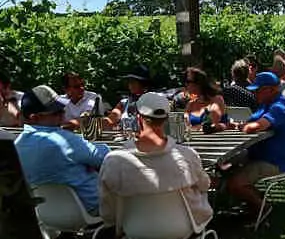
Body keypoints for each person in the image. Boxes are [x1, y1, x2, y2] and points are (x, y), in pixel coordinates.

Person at [99, 92, 212, 229]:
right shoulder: (187, 155)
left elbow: (107, 206)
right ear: (166, 120)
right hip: (182, 228)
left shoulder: (114, 161)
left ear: (139, 118)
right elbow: (204, 185)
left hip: (133, 229)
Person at [14, 85, 109, 213]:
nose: (64, 116)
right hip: (91, 208)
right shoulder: (65, 140)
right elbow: (105, 158)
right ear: (34, 118)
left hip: (45, 213)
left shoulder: (17, 144)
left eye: (63, 110)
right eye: (57, 113)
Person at [227, 72, 285, 215]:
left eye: (258, 90)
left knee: (235, 183)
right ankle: (251, 200)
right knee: (226, 166)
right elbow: (248, 123)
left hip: (276, 161)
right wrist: (235, 125)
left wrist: (245, 127)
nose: (255, 93)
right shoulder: (266, 105)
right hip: (259, 155)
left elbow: (257, 126)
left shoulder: (280, 106)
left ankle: (264, 209)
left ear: (271, 90)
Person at [104, 64, 152, 131]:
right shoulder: (124, 103)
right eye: (129, 82)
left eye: (134, 82)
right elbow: (111, 119)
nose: (130, 85)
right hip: (124, 140)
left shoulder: (152, 102)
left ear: (143, 84)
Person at [184, 67, 228, 132]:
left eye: (188, 81)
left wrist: (193, 127)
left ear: (199, 84)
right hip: (195, 140)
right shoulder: (191, 104)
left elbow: (211, 123)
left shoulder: (217, 100)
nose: (186, 84)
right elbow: (186, 125)